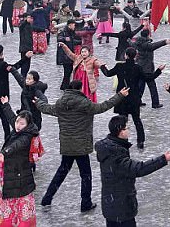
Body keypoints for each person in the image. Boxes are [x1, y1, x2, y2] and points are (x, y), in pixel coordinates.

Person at [37, 80, 127, 212]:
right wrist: (119, 95)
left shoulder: (60, 103)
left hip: (67, 145)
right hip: (81, 146)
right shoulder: (85, 103)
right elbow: (103, 107)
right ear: (80, 89)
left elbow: (47, 109)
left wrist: (38, 102)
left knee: (61, 172)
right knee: (86, 175)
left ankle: (47, 198)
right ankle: (86, 203)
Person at [95, 114, 170, 227]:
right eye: (127, 128)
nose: (129, 130)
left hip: (111, 205)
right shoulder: (116, 154)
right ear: (120, 132)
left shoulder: (109, 147)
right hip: (121, 207)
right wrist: (163, 159)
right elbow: (138, 169)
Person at [0, 100, 39, 227]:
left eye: (21, 123)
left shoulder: (26, 136)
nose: (17, 125)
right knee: (12, 197)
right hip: (12, 172)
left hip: (19, 174)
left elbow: (16, 145)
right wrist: (6, 105)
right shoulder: (21, 130)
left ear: (27, 125)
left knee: (16, 199)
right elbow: (11, 118)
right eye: (18, 122)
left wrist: (4, 152)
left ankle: (13, 223)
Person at [100, 47, 162, 150]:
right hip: (134, 98)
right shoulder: (137, 68)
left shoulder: (119, 66)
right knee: (137, 120)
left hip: (122, 97)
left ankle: (121, 141)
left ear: (126, 55)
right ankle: (140, 141)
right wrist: (159, 70)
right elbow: (149, 78)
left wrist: (102, 66)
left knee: (122, 122)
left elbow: (108, 74)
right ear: (135, 56)